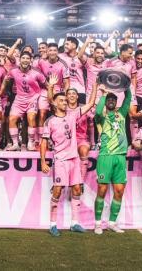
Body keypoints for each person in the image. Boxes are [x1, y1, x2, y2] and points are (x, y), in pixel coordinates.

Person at [41, 78, 103, 236]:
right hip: (61, 160)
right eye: (61, 100)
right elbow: (43, 142)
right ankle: (52, 224)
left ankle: (75, 223)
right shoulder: (50, 122)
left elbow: (90, 104)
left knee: (76, 189)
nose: (64, 102)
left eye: (65, 100)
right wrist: (43, 162)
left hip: (75, 159)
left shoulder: (72, 115)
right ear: (55, 104)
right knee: (57, 190)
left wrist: (95, 86)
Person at [93, 87, 131, 234]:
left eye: (113, 99)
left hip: (120, 156)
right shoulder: (101, 117)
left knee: (119, 191)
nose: (111, 101)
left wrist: (126, 86)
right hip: (106, 156)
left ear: (116, 102)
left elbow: (128, 99)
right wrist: (103, 95)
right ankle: (97, 224)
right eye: (108, 99)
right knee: (102, 190)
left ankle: (112, 223)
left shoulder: (121, 114)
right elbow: (97, 112)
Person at [0, 51, 47, 151]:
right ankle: (15, 144)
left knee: (31, 118)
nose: (25, 60)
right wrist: (1, 91)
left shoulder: (37, 72)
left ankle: (31, 143)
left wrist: (52, 97)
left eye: (27, 58)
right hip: (19, 99)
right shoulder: (13, 71)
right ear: (19, 59)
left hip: (32, 99)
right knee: (12, 119)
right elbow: (5, 80)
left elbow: (47, 85)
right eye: (23, 58)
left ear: (31, 60)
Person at [34, 43, 70, 149]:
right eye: (50, 50)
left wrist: (63, 95)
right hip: (44, 90)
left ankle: (55, 140)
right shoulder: (41, 61)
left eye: (55, 50)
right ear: (47, 52)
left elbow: (67, 82)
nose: (52, 52)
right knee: (42, 114)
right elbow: (33, 72)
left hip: (57, 91)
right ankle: (40, 140)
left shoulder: (63, 64)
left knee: (57, 115)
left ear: (57, 52)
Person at [59, 37, 86, 103]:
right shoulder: (60, 57)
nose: (65, 46)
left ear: (74, 46)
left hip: (79, 89)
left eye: (67, 44)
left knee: (81, 108)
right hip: (65, 89)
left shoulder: (82, 57)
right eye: (65, 44)